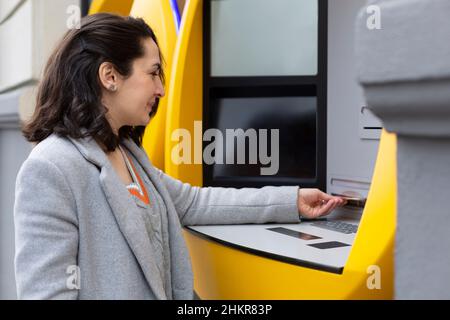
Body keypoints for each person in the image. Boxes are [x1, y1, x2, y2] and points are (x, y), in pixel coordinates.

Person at [14, 13, 346, 300]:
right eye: (153, 73)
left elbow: (193, 203)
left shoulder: (127, 153)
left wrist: (292, 201)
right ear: (110, 76)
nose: (160, 89)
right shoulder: (51, 168)